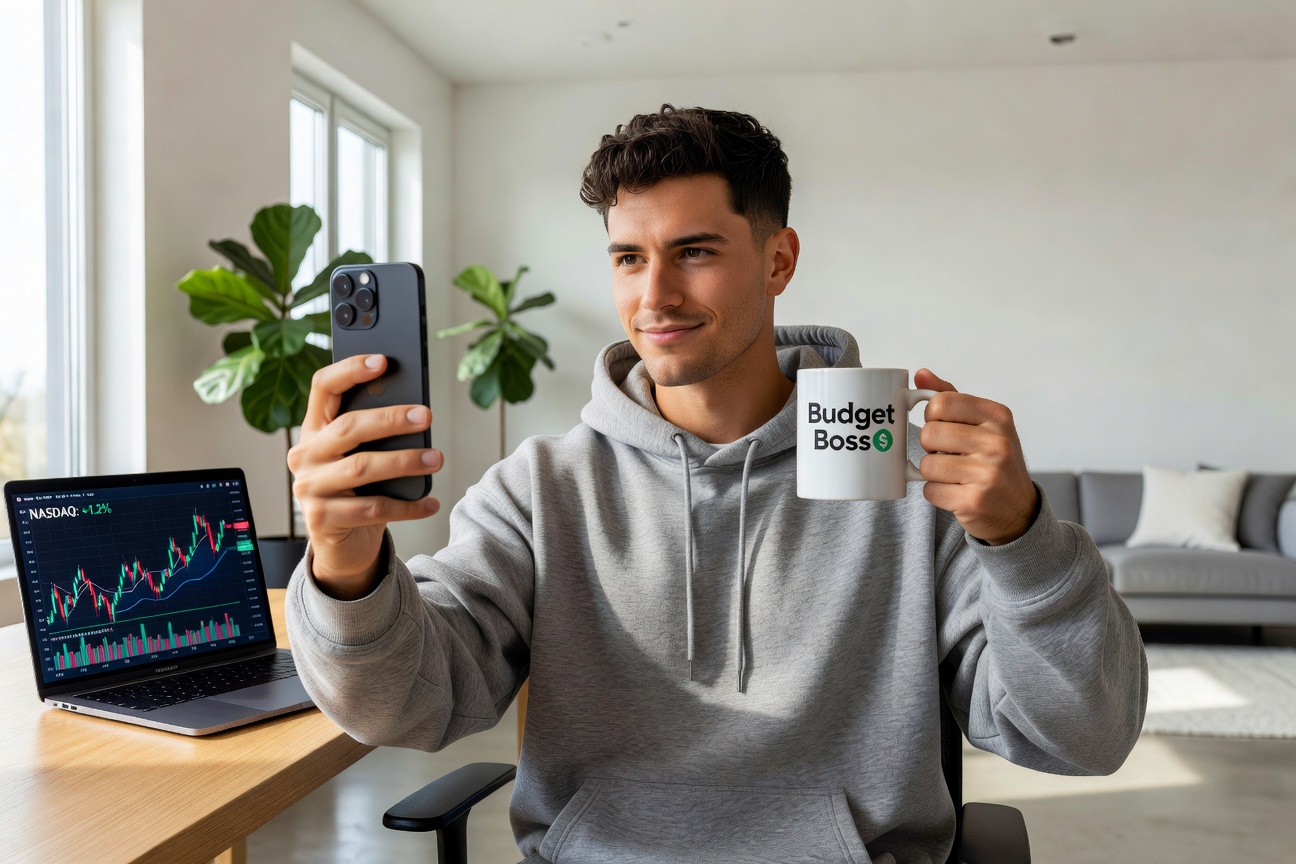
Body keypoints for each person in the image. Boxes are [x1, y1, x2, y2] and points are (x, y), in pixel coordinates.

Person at [285, 104, 1148, 864]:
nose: (654, 295)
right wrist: (346, 567)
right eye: (628, 258)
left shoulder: (900, 472)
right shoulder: (543, 486)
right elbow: (408, 707)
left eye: (694, 252)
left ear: (779, 261)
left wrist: (1022, 539)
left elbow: (1082, 738)